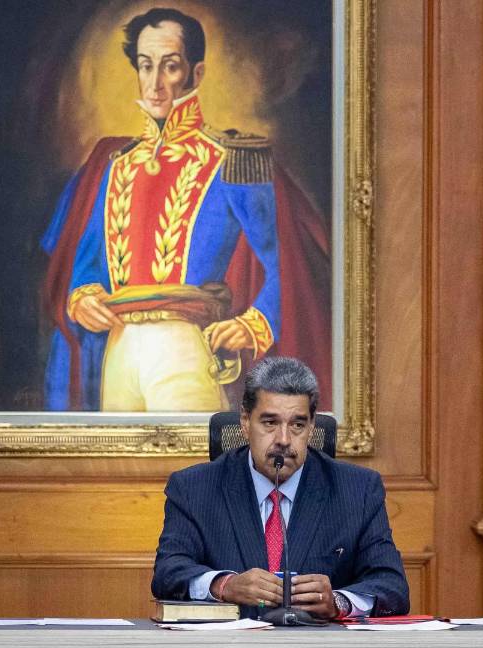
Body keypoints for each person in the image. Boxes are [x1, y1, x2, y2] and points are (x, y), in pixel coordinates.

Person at [40, 8, 331, 412]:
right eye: (145, 66)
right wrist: (83, 295)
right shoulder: (114, 164)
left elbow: (285, 264)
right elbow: (87, 264)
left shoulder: (233, 160)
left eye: (170, 66)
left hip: (184, 348)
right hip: (119, 350)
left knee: (194, 471)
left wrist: (254, 322)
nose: (155, 83)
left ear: (196, 74)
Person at [151, 357, 409, 619]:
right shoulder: (194, 488)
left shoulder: (358, 490)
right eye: (270, 423)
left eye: (297, 424)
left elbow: (392, 586)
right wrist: (224, 586)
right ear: (245, 421)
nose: (284, 440)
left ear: (311, 427)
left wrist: (338, 603)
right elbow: (168, 573)